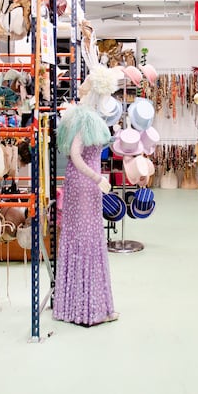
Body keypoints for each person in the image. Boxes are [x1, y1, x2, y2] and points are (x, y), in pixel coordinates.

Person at [53, 101, 119, 326]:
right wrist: (97, 178)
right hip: (85, 183)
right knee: (85, 238)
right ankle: (85, 308)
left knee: (88, 237)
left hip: (88, 184)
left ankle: (88, 305)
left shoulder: (90, 119)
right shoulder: (83, 120)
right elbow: (75, 154)